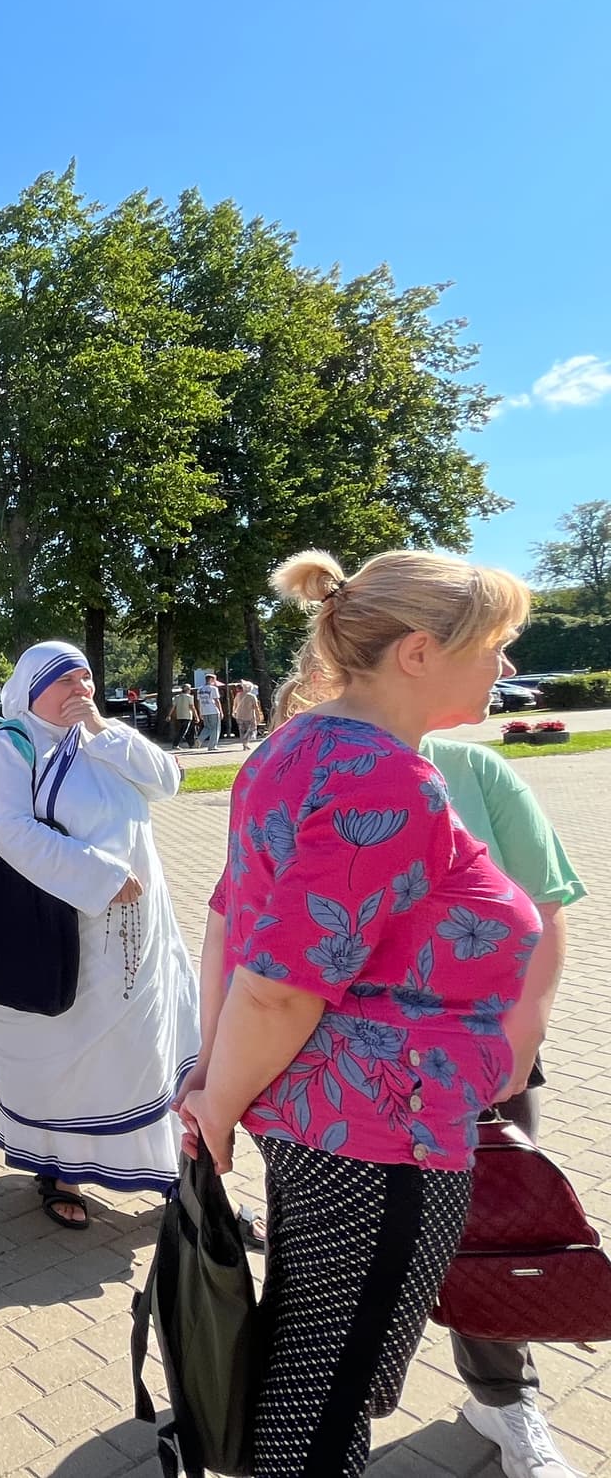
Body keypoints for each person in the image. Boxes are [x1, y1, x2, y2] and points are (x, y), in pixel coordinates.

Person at [178, 549, 550, 1478]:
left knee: (314, 1367)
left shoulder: (293, 748)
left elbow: (231, 919)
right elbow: (279, 983)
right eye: (495, 645)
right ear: (419, 652)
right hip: (380, 1136)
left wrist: (211, 1073)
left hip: (329, 1121)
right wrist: (213, 1105)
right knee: (326, 1392)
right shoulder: (384, 777)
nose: (506, 667)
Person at [0, 642, 199, 1228]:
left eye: (86, 678)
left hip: (139, 939)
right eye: (65, 680)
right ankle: (58, 1170)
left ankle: (176, 1167)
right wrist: (98, 876)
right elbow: (8, 831)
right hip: (60, 940)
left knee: (141, 1053)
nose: (81, 689)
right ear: (33, 688)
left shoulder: (102, 736)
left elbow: (168, 781)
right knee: (64, 1059)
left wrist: (102, 728)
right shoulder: (7, 746)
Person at [414, 734, 588, 1476]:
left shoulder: (475, 767)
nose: (507, 668)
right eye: (487, 641)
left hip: (488, 1052)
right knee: (343, 1257)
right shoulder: (308, 755)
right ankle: (313, 1413)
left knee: (488, 1235)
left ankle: (503, 1400)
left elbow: (546, 907)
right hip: (341, 1067)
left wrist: (522, 1038)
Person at [194, 674, 222, 751]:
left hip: (204, 711)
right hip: (213, 710)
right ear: (211, 680)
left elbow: (199, 702)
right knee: (215, 729)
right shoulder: (213, 688)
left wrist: (200, 712)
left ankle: (200, 739)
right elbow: (216, 700)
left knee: (207, 727)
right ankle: (212, 746)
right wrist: (220, 711)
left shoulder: (200, 689)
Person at [169, 682, 197, 748]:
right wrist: (196, 716)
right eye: (190, 689)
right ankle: (175, 744)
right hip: (187, 716)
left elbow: (173, 707)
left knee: (186, 730)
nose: (190, 691)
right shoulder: (190, 697)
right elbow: (192, 707)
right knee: (183, 731)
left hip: (179, 716)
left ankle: (191, 744)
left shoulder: (177, 697)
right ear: (188, 690)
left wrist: (169, 715)